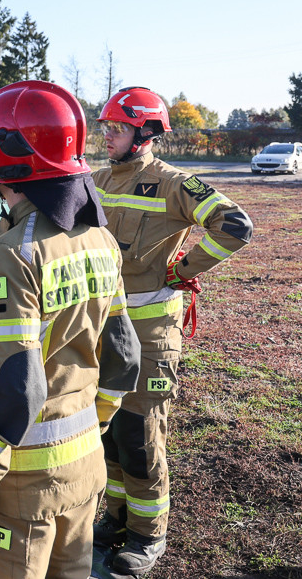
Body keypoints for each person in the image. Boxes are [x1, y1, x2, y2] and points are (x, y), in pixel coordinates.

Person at [0, 80, 141, 579]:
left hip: (19, 485)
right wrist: (92, 429)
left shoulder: (15, 254)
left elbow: (18, 390)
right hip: (85, 471)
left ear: (5, 159)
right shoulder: (101, 238)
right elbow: (125, 357)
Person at [91, 86, 253, 575]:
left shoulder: (174, 182)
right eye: (105, 128)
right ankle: (116, 520)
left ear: (146, 132)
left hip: (151, 335)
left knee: (141, 437)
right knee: (110, 436)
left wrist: (186, 268)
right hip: (104, 332)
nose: (107, 137)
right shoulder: (97, 179)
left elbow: (237, 226)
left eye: (116, 129)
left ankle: (148, 534)